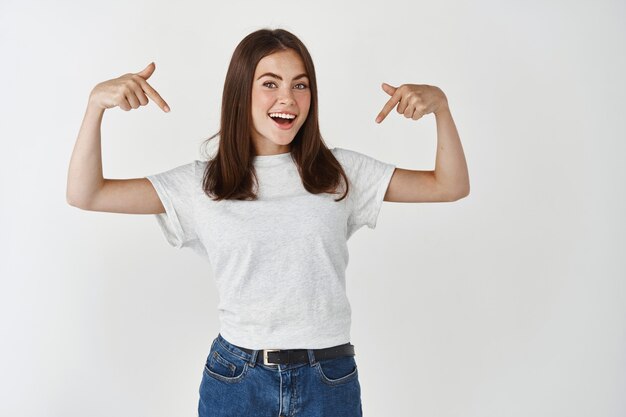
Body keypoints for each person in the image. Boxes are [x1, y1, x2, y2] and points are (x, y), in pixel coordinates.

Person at [66, 28, 469, 417]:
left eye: (300, 85)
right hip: (237, 381)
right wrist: (95, 106)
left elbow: (449, 185)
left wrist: (442, 110)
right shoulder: (202, 183)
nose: (288, 99)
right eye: (270, 83)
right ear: (242, 93)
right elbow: (87, 194)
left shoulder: (340, 172)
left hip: (329, 381)